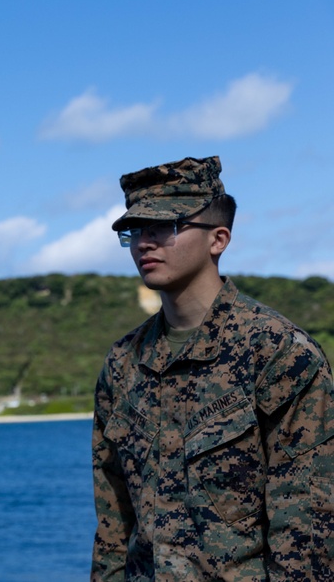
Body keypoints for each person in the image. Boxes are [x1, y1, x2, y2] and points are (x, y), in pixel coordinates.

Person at [91, 155, 334, 580]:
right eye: (134, 231)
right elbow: (113, 524)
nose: (145, 243)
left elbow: (307, 527)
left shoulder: (277, 352)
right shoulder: (122, 362)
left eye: (165, 227)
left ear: (218, 239)